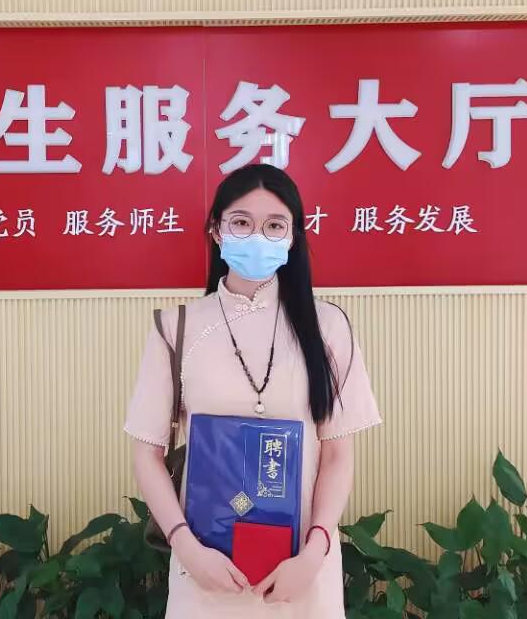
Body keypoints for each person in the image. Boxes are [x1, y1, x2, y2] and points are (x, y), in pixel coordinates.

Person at [124, 164, 382, 618]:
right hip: (204, 567)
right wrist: (186, 547)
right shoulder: (177, 328)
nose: (257, 236)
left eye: (275, 225)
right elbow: (147, 453)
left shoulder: (327, 327)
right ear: (217, 231)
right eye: (241, 222)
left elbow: (338, 455)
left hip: (301, 572)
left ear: (293, 237)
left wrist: (315, 552)